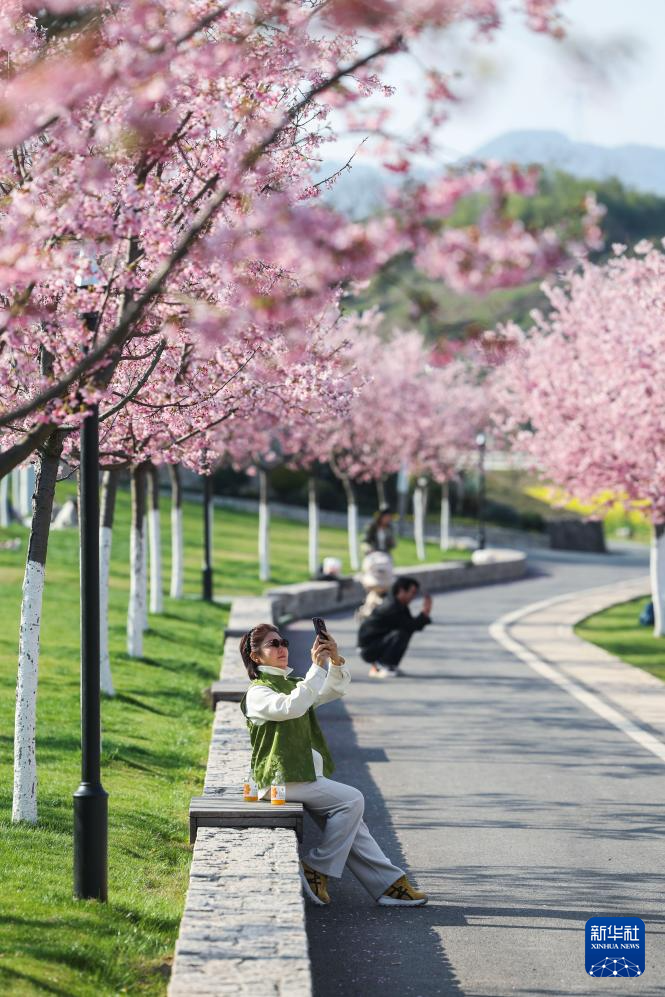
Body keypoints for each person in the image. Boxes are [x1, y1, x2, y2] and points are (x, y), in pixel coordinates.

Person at [239, 622, 428, 908]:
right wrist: (315, 668)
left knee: (352, 823)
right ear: (256, 657)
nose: (282, 649)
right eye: (273, 644)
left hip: (298, 776)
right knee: (352, 801)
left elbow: (329, 691)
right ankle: (317, 866)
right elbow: (292, 707)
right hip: (279, 780)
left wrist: (335, 661)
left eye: (284, 642)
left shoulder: (291, 684)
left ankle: (389, 884)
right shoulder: (258, 693)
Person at [358, 576, 432, 679]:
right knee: (400, 634)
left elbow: (411, 625)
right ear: (401, 590)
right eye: (412, 592)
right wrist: (425, 612)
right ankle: (383, 665)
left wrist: (424, 614)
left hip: (376, 644)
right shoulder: (392, 607)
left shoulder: (399, 604)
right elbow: (410, 626)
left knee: (403, 633)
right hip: (368, 649)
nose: (413, 596)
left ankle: (389, 665)